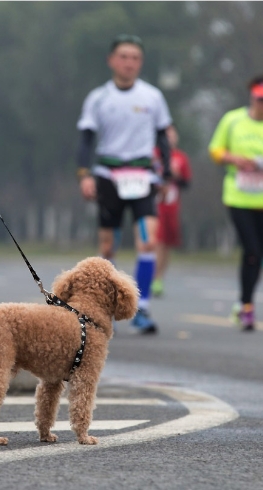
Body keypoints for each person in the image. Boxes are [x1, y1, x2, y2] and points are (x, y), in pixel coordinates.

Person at [76, 34, 173, 334]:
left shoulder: (153, 97)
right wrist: (84, 175)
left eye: (135, 58)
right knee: (107, 246)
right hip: (108, 176)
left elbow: (162, 137)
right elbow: (86, 140)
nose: (129, 63)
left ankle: (141, 308)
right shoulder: (98, 98)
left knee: (148, 241)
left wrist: (166, 174)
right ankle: (103, 308)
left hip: (142, 177)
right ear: (111, 61)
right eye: (123, 57)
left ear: (140, 63)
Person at [208, 74, 263, 331]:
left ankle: (244, 302)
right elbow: (215, 150)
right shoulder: (233, 120)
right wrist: (235, 159)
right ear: (252, 97)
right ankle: (247, 306)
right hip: (238, 196)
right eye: (259, 99)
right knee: (252, 250)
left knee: (256, 254)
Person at [150, 125, 192, 297]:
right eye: (166, 135)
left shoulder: (181, 158)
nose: (169, 138)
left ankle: (160, 277)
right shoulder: (153, 154)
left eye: (172, 135)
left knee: (167, 243)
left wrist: (176, 176)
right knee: (157, 241)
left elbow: (187, 182)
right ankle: (153, 277)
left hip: (172, 206)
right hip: (155, 205)